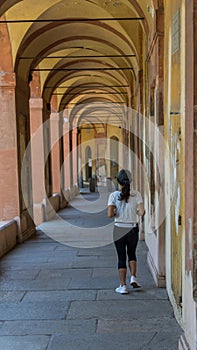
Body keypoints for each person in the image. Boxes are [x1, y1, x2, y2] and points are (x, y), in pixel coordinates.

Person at [108, 169, 145, 294]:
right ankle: (134, 277)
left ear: (118, 181)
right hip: (132, 228)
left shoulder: (113, 196)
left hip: (119, 228)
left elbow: (109, 214)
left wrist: (116, 211)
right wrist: (134, 212)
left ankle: (123, 285)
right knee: (132, 253)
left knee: (121, 256)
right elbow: (142, 212)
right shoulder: (137, 194)